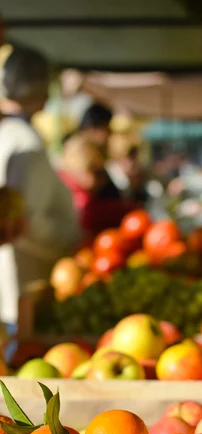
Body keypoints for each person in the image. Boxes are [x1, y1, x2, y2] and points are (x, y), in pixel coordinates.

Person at [0, 46, 79, 326]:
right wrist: (73, 240)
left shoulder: (10, 135)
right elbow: (25, 223)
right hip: (24, 283)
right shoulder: (25, 143)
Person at [59, 134, 129, 239]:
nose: (101, 179)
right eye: (96, 172)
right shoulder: (78, 195)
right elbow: (91, 214)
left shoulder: (63, 182)